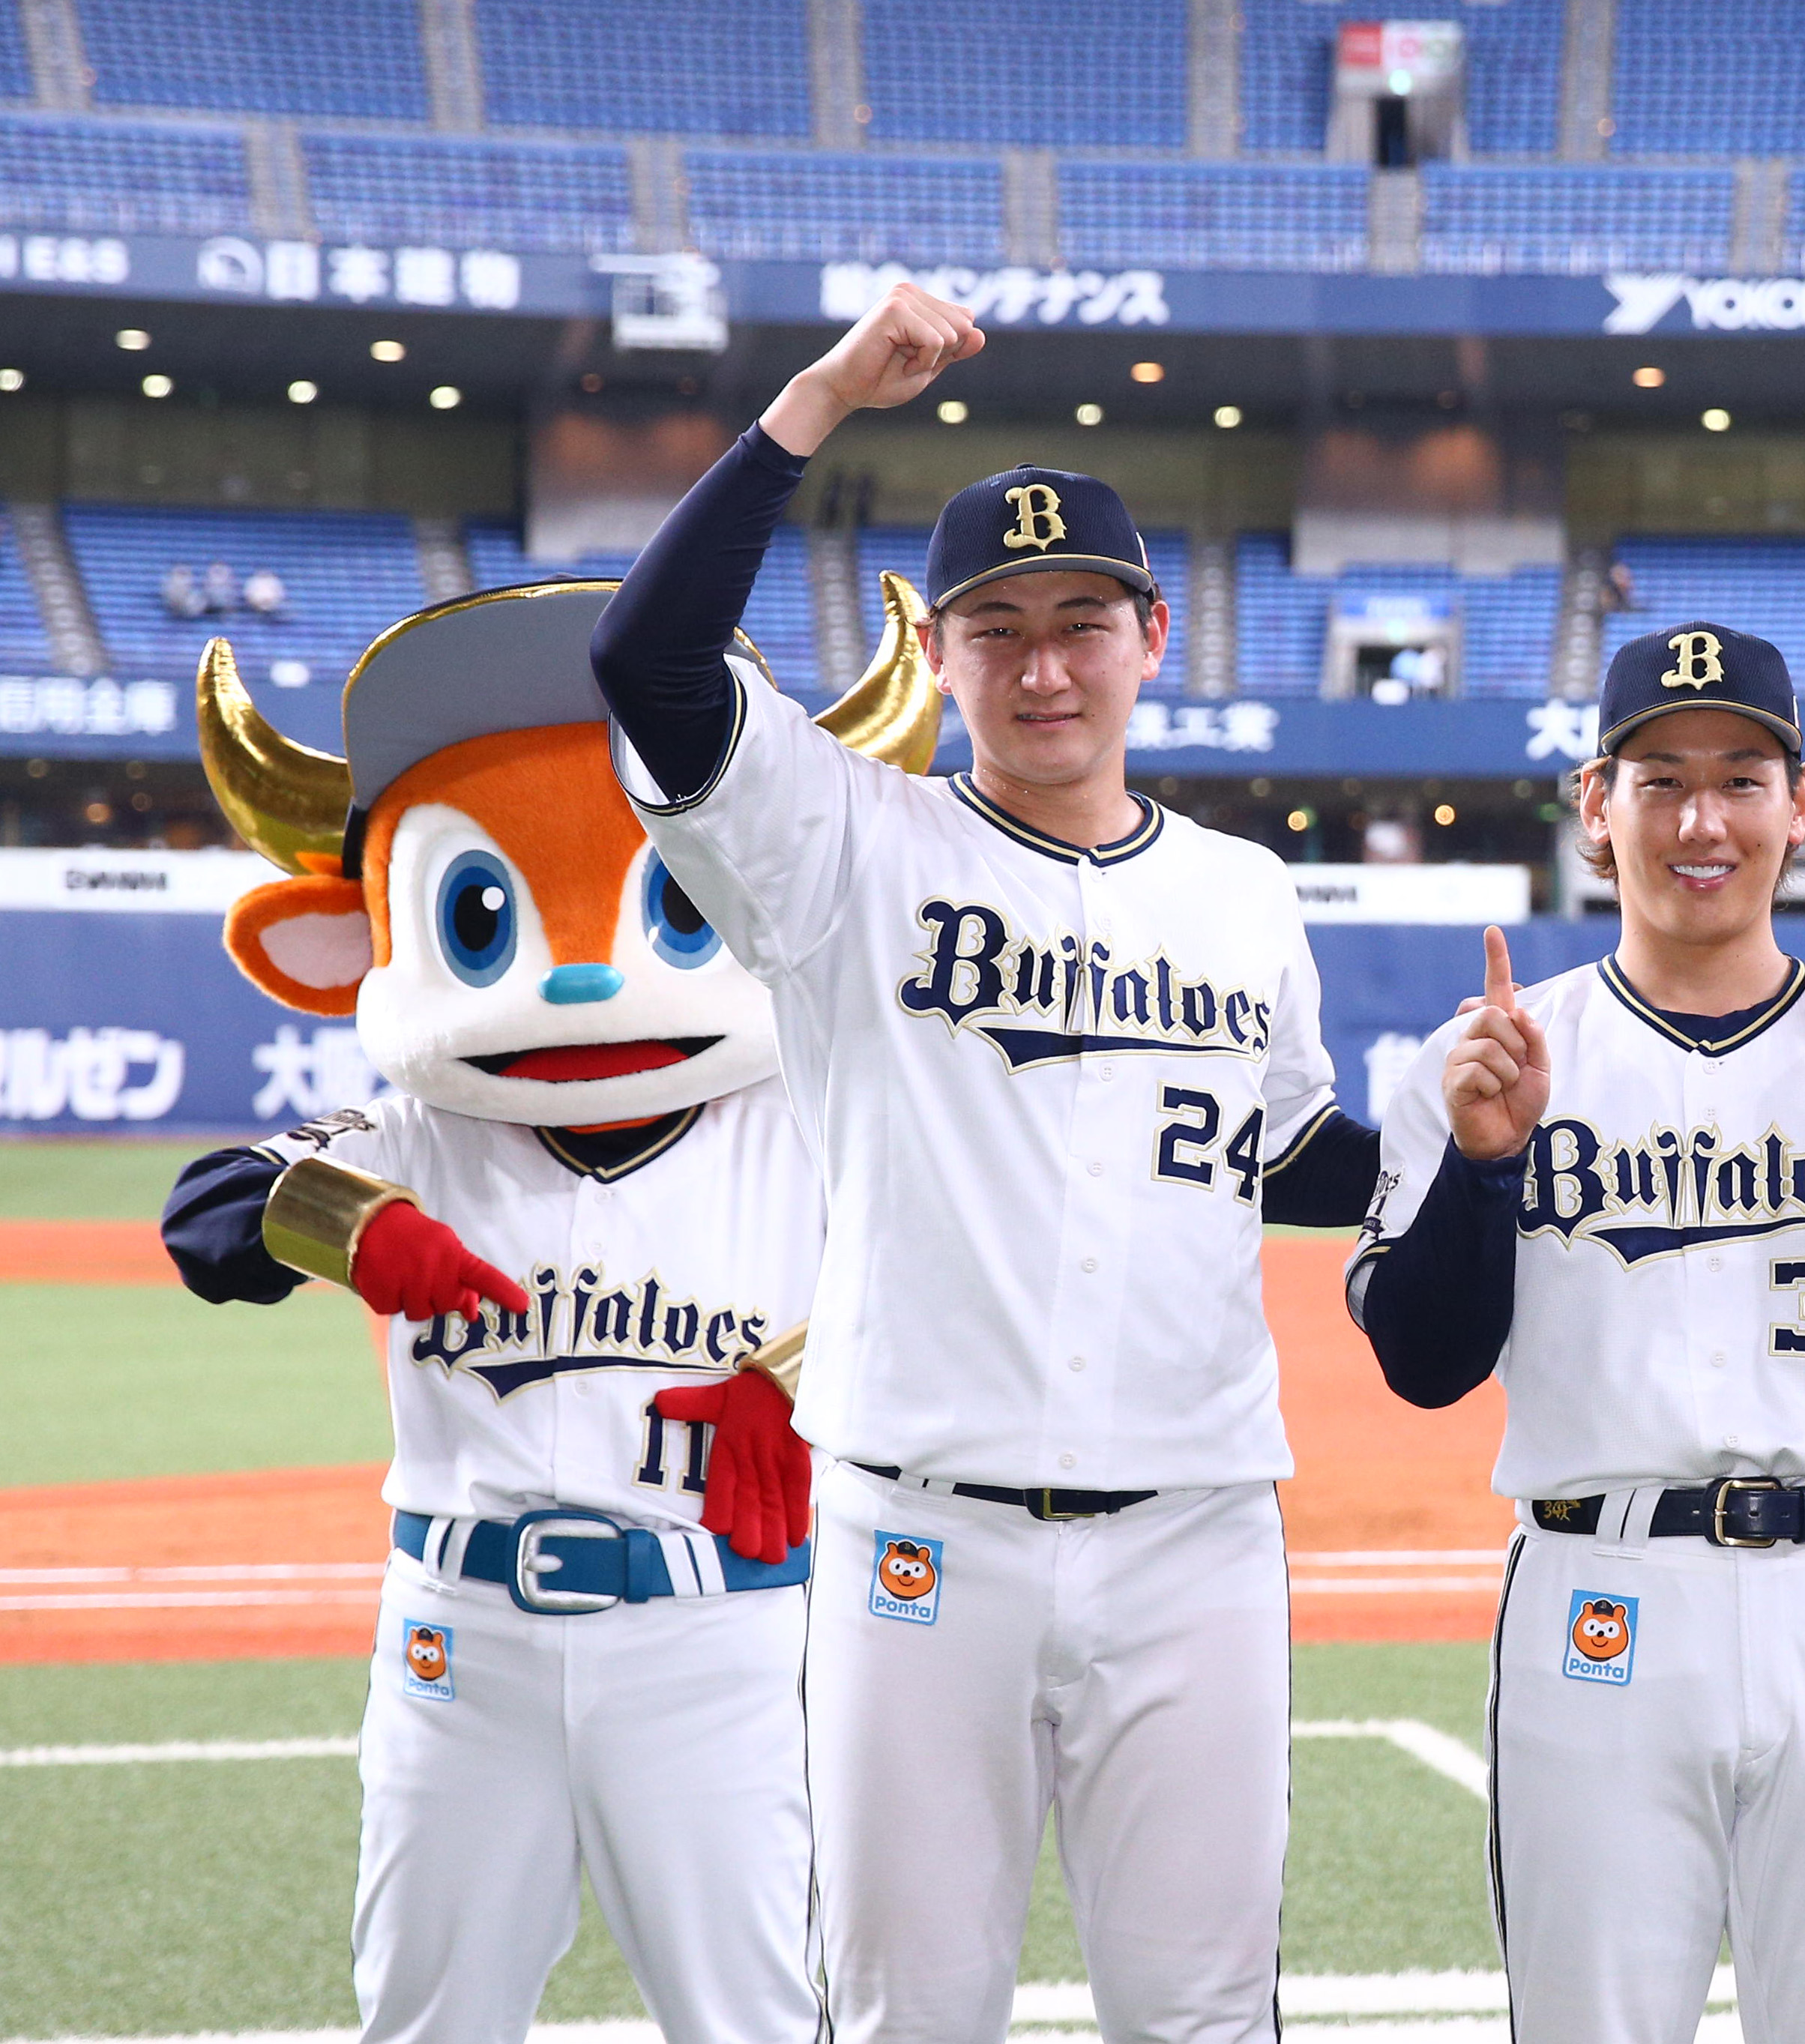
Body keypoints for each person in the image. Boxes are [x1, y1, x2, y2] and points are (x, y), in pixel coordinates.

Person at [591, 280, 1383, 2044]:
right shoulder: (838, 848)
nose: (1041, 665)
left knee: (1199, 2011)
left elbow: (1282, 1145)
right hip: (914, 1536)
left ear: (1151, 635)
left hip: (1196, 1537)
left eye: (1081, 621)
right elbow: (643, 662)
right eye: (997, 627)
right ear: (938, 654)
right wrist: (812, 402)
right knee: (907, 2013)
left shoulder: (1244, 893)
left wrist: (1465, 1160)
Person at [1350, 623, 1805, 2044]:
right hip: (1596, 1601)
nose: (1698, 821)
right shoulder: (1494, 1050)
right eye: (1657, 778)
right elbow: (1424, 1367)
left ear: (1801, 802)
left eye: (1740, 779)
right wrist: (1489, 1165)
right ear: (1591, 804)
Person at [163, 586, 855, 2044]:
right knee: (426, 2018)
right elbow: (207, 1215)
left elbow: (954, 1278)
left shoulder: (799, 1109)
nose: (592, 975)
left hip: (713, 1630)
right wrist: (354, 1224)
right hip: (457, 1640)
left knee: (754, 2019)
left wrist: (805, 1382)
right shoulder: (419, 1127)